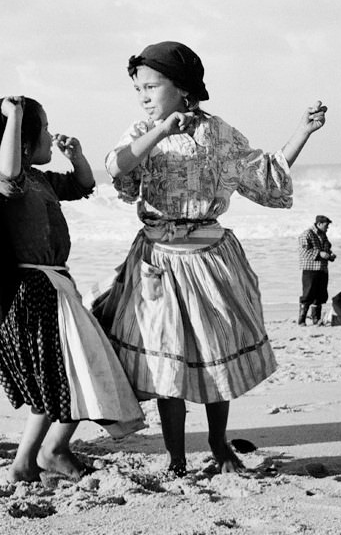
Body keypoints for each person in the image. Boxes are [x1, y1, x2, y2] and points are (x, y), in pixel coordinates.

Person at [93, 41, 326, 477]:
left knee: (216, 357)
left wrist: (303, 131)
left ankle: (219, 448)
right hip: (157, 260)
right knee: (167, 366)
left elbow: (267, 173)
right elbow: (116, 167)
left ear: (183, 88)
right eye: (137, 88)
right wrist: (159, 131)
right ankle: (177, 459)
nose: (143, 96)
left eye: (151, 86)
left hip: (210, 259)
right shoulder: (142, 131)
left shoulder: (218, 133)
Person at [0, 96, 145, 483]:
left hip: (56, 286)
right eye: (45, 129)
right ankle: (30, 460)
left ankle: (41, 455)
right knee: (61, 376)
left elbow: (83, 185)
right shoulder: (7, 179)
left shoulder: (40, 179)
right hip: (34, 292)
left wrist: (77, 156)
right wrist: (14, 116)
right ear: (24, 141)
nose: (51, 134)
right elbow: (8, 171)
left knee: (71, 373)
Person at [298, 216, 335, 325]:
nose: (327, 228)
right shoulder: (307, 234)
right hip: (310, 269)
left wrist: (329, 255)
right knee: (308, 294)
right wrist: (319, 253)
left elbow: (327, 249)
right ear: (319, 224)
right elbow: (303, 252)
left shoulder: (323, 235)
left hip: (322, 268)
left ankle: (316, 318)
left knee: (321, 294)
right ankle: (302, 320)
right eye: (326, 225)